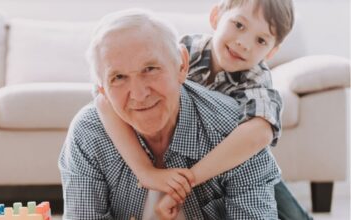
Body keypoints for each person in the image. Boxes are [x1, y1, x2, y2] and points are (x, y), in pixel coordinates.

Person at [95, 1, 312, 219]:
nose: (244, 43)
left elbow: (261, 133)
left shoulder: (256, 77)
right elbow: (103, 100)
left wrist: (190, 179)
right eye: (239, 25)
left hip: (235, 165)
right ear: (216, 16)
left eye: (261, 40)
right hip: (181, 155)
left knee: (284, 208)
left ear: (271, 52)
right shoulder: (186, 49)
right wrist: (145, 172)